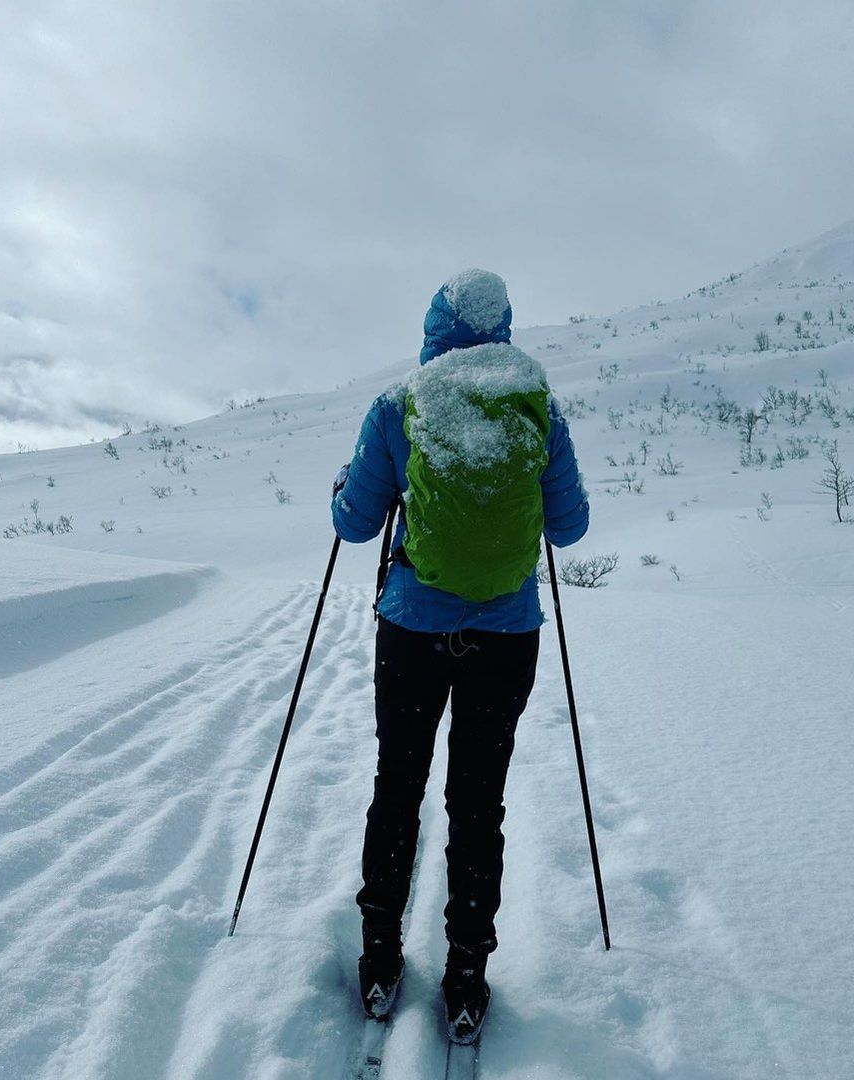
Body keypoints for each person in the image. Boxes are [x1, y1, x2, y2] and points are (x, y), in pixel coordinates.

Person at [330, 269, 589, 1044]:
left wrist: (347, 486)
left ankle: (380, 957)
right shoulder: (539, 405)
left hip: (411, 629)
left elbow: (353, 523)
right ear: (503, 327)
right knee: (478, 802)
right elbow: (569, 528)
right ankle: (468, 975)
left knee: (397, 782)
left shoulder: (399, 402)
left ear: (435, 327)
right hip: (506, 637)